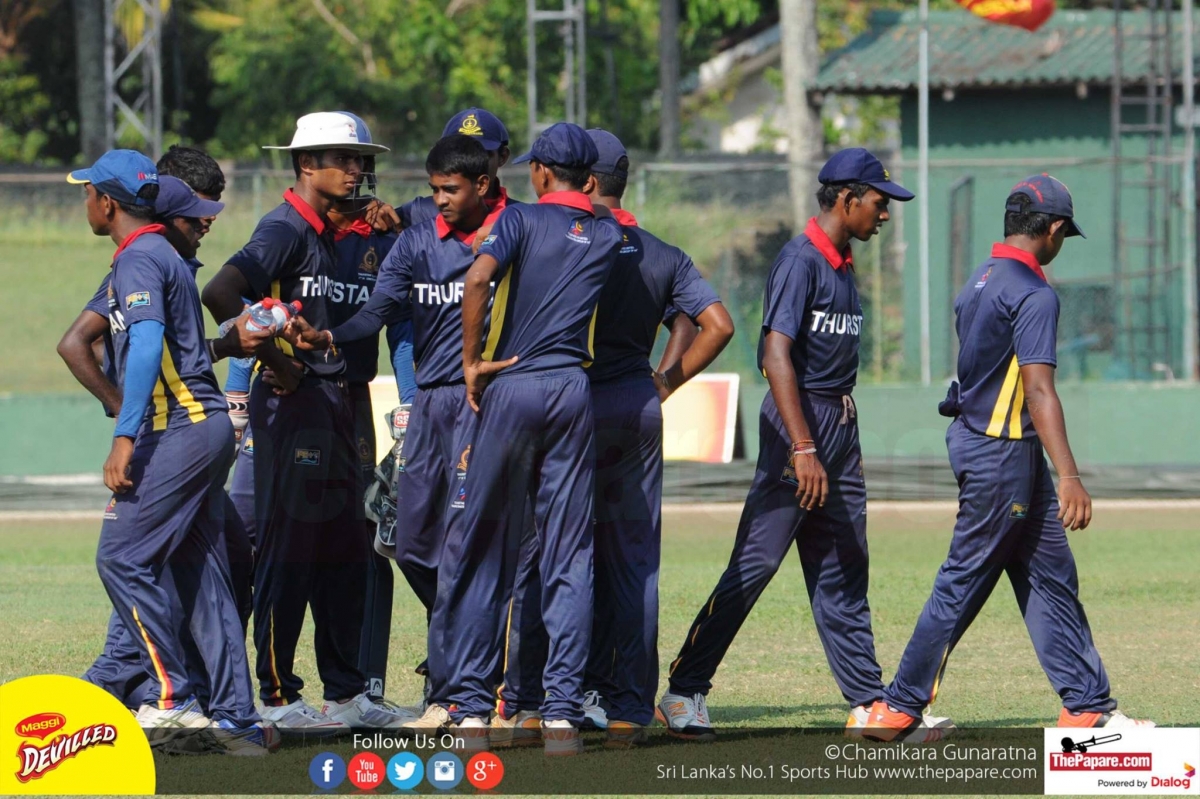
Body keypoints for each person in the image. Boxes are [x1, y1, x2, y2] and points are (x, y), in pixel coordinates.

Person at [656, 148, 952, 743]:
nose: (885, 214)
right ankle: (683, 691)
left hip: (838, 423)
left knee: (843, 565)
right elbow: (775, 356)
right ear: (846, 199)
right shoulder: (800, 260)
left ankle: (867, 702)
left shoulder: (842, 263)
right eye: (879, 202)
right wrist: (802, 445)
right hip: (801, 426)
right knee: (757, 562)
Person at [863, 175, 1155, 741]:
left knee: (1051, 577)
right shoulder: (1034, 293)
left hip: (996, 447)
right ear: (1054, 228)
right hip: (1002, 455)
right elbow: (1039, 390)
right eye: (1064, 234)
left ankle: (1086, 706)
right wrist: (1070, 474)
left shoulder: (980, 278)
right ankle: (898, 708)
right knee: (964, 578)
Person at [281, 133, 511, 725]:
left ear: (484, 183)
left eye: (448, 190)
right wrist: (329, 336)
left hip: (486, 404)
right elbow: (378, 313)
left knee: (469, 544)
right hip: (431, 407)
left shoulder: (515, 234)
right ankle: (469, 666)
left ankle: (466, 690)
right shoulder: (414, 240)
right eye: (433, 190)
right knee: (403, 539)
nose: (439, 200)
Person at [200, 111, 410, 732]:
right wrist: (275, 359)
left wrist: (393, 221)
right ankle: (275, 694)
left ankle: (346, 694)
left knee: (346, 548)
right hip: (295, 404)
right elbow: (220, 293)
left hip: (347, 400)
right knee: (290, 549)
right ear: (304, 165)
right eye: (340, 158)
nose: (355, 169)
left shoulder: (356, 230)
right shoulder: (285, 227)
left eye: (359, 159)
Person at [69, 150, 274, 754]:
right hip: (203, 428)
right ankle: (236, 721)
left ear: (108, 203)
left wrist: (124, 434)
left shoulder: (140, 257)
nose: (85, 202)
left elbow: (146, 344)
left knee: (120, 559)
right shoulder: (163, 254)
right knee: (201, 573)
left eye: (88, 192)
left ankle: (172, 699)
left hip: (180, 429)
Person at [432, 122, 622, 756]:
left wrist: (470, 364)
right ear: (588, 179)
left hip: (511, 385)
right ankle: (561, 716)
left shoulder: (517, 219)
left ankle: (471, 710)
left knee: (483, 545)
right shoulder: (606, 233)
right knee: (569, 555)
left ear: (539, 171)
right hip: (572, 390)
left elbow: (477, 280)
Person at [397, 108, 512, 230]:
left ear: (502, 157)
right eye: (457, 155)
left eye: (480, 154)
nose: (467, 162)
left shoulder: (519, 219)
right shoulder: (419, 212)